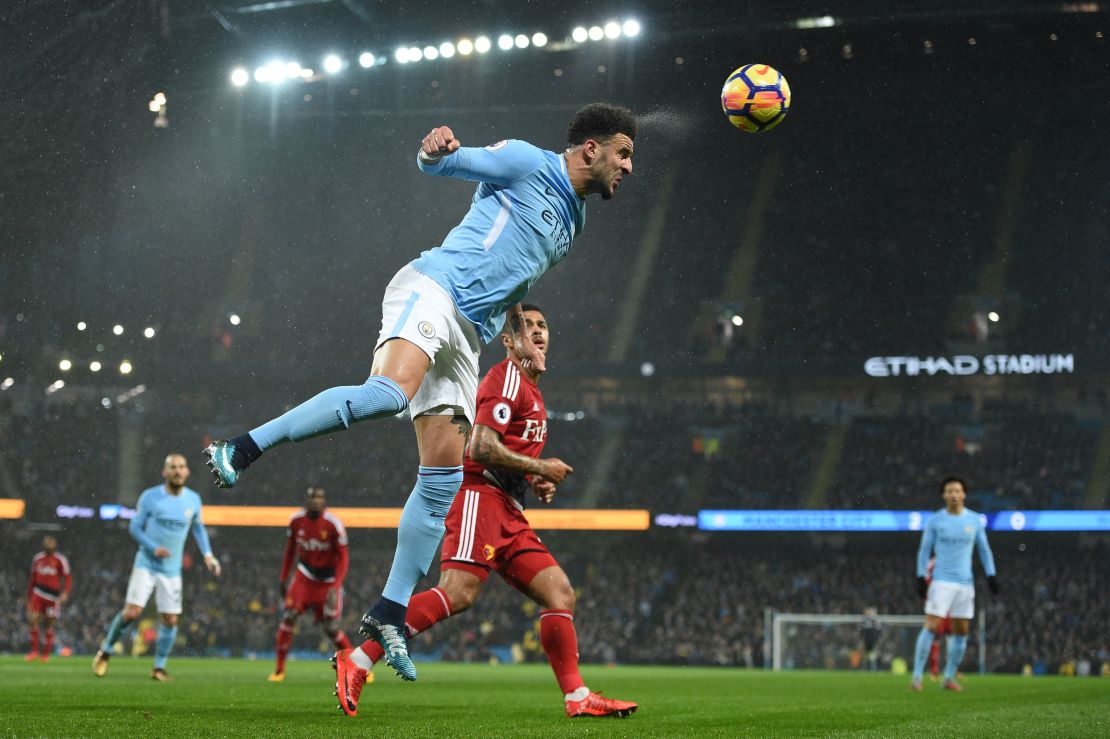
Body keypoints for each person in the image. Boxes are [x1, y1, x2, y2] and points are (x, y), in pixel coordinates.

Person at [203, 103, 636, 681]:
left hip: (470, 334)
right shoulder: (528, 162)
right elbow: (447, 164)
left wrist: (517, 334)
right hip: (434, 289)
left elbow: (514, 274)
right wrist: (435, 151)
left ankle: (388, 611)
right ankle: (241, 446)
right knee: (386, 394)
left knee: (442, 479)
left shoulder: (575, 220)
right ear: (591, 149)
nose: (628, 168)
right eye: (624, 154)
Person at [331, 306, 637, 718]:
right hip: (478, 495)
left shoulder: (531, 390)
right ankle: (360, 659)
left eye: (543, 326)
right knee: (458, 593)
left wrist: (532, 479)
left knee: (559, 592)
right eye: (526, 327)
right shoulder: (505, 377)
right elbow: (479, 447)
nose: (537, 332)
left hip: (508, 508)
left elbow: (505, 450)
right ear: (509, 342)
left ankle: (577, 697)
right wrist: (540, 467)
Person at [92, 454, 221, 681]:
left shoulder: (193, 499)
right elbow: (135, 528)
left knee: (170, 620)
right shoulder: (150, 497)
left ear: (187, 472)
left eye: (181, 467)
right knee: (132, 613)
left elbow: (199, 529)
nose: (178, 471)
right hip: (147, 563)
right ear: (165, 472)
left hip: (171, 570)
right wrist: (154, 547)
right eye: (173, 467)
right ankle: (106, 650)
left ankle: (158, 668)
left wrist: (208, 556)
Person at [910, 476, 998, 692]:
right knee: (931, 624)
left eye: (957, 491)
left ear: (964, 494)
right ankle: (917, 677)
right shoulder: (935, 521)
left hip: (965, 584)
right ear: (943, 495)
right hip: (941, 582)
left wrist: (991, 575)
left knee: (961, 631)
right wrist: (921, 576)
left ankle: (948, 678)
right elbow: (924, 550)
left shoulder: (975, 520)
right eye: (949, 491)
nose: (953, 495)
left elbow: (984, 550)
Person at [270, 487, 353, 681]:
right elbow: (290, 552)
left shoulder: (334, 525)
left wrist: (336, 586)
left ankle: (357, 667)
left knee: (331, 628)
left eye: (319, 498)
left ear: (324, 502)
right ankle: (279, 670)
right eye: (312, 498)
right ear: (306, 501)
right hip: (305, 577)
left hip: (328, 581)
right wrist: (283, 578)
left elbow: (344, 559)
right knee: (289, 616)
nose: (315, 501)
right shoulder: (296, 522)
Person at [25, 535, 71, 662]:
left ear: (55, 545)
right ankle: (34, 652)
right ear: (43, 544)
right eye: (47, 542)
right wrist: (29, 597)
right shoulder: (38, 559)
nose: (49, 545)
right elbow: (32, 578)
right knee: (33, 620)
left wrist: (65, 593)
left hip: (52, 596)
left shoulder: (60, 559)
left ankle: (45, 655)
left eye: (51, 543)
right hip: (38, 593)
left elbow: (67, 577)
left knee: (49, 624)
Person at [924, 556, 952, 680]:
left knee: (952, 634)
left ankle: (952, 670)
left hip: (949, 601)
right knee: (936, 635)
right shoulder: (933, 563)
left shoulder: (949, 560)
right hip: (937, 602)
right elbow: (926, 580)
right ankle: (934, 670)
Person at [858, 606, 882, 672]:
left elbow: (878, 630)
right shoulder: (864, 620)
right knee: (864, 655)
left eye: (871, 611)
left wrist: (877, 640)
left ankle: (873, 669)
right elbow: (860, 631)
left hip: (873, 641)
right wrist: (861, 641)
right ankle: (864, 669)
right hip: (866, 640)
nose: (869, 612)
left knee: (873, 655)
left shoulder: (876, 620)